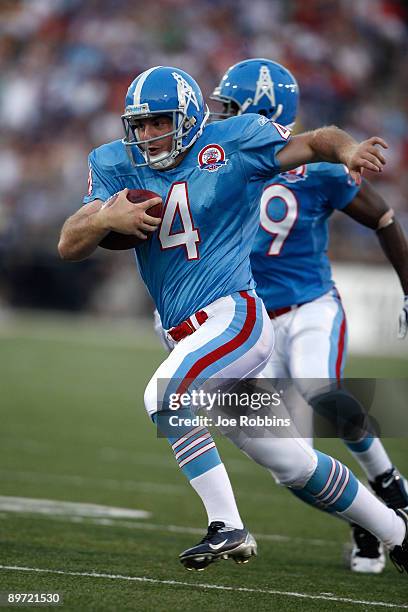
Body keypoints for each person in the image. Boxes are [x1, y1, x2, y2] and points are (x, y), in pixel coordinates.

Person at [58, 65, 408, 574]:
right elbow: (68, 244)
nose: (148, 135)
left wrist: (349, 151)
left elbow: (318, 141)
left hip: (234, 317)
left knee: (164, 397)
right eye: (139, 124)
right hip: (183, 331)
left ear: (188, 117)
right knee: (291, 462)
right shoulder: (114, 163)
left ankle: (228, 525)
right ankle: (399, 533)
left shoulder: (233, 142)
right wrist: (104, 219)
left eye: (159, 122)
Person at [209, 58, 408, 573]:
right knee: (289, 461)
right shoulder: (222, 167)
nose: (221, 118)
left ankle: (387, 481)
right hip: (254, 321)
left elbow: (383, 217)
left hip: (311, 304)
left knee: (319, 386)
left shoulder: (317, 168)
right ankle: (364, 514)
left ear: (262, 112)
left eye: (231, 109)